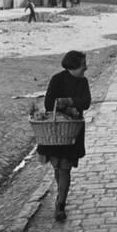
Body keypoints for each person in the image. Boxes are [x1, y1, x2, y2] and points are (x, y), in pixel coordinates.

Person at [37, 51, 91, 221]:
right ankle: (61, 196)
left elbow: (86, 102)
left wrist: (68, 101)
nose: (85, 67)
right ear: (72, 66)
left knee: (65, 168)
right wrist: (68, 107)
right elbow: (48, 104)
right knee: (58, 167)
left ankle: (60, 203)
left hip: (71, 133)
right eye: (83, 65)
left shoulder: (83, 82)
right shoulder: (57, 79)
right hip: (55, 131)